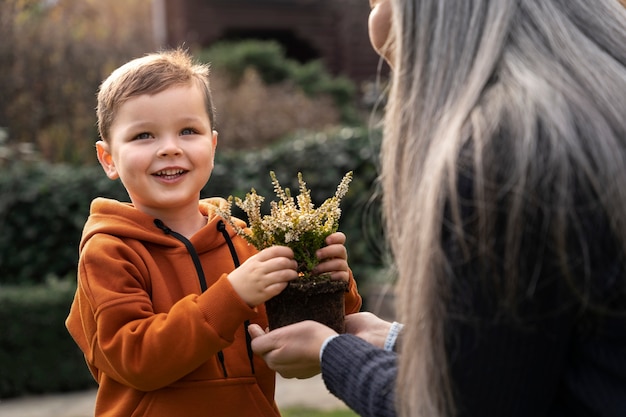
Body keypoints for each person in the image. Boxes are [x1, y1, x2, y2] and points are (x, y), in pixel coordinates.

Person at [249, 0, 626, 416]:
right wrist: (394, 339)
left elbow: (458, 407)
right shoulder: (595, 115)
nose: (374, 24)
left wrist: (331, 352)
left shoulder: (501, 158)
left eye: (378, 1)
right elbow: (527, 355)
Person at [65, 48, 362, 417]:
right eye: (144, 135)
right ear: (109, 158)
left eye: (188, 131)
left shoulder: (244, 238)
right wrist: (232, 294)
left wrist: (333, 281)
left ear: (213, 145)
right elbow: (135, 359)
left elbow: (302, 338)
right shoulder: (108, 252)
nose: (170, 148)